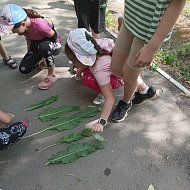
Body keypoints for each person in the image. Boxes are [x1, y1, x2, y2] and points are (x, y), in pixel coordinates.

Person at [65, 28, 158, 132]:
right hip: (124, 66)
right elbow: (88, 62)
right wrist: (79, 70)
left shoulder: (99, 70)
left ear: (82, 59)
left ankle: (129, 99)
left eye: (75, 62)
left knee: (88, 79)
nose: (74, 65)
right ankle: (146, 90)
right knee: (129, 74)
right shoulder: (94, 45)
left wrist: (101, 122)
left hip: (120, 75)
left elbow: (110, 98)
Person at [110, 0, 186, 122]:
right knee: (116, 68)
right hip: (130, 19)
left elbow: (177, 4)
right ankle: (144, 89)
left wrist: (151, 48)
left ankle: (125, 102)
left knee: (129, 78)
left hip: (147, 32)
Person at [0, 4, 62, 90]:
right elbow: (29, 42)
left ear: (23, 24)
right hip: (37, 44)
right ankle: (42, 58)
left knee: (43, 47)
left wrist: (47, 52)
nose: (12, 32)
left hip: (53, 43)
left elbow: (55, 37)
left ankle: (52, 75)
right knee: (23, 69)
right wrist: (31, 55)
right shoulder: (24, 29)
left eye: (12, 30)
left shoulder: (39, 25)